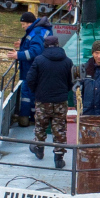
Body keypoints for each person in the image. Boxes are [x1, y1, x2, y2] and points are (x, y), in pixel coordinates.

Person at [26, 34, 74, 169]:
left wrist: (37, 91)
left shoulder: (39, 60)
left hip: (43, 100)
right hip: (60, 101)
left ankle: (39, 150)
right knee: (59, 129)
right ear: (58, 44)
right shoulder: (67, 61)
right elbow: (72, 82)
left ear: (45, 45)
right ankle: (59, 157)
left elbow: (30, 79)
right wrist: (65, 91)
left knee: (40, 126)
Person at [7, 10, 52, 126]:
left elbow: (35, 51)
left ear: (29, 23)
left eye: (23, 25)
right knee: (30, 94)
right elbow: (35, 44)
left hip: (31, 70)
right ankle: (30, 117)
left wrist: (18, 55)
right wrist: (22, 43)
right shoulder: (39, 30)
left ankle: (28, 118)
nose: (23, 27)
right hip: (37, 69)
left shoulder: (35, 32)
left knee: (27, 94)